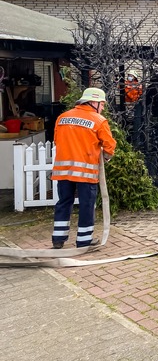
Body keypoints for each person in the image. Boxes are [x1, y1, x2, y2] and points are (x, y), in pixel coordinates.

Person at [51, 87, 116, 249]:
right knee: (87, 204)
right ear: (93, 102)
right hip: (86, 173)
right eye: (101, 104)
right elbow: (109, 146)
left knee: (64, 202)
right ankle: (84, 240)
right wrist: (105, 158)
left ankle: (58, 239)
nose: (102, 108)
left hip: (63, 171)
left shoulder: (62, 118)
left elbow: (56, 141)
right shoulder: (98, 120)